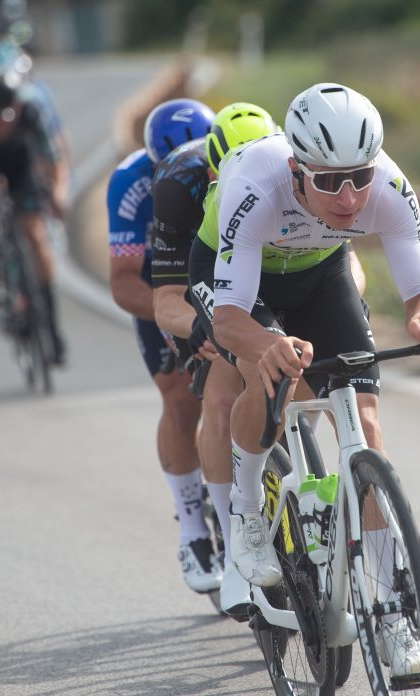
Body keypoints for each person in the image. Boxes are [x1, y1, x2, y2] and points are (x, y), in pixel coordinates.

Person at [188, 83, 420, 677]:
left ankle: (391, 610)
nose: (349, 196)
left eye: (359, 176)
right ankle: (247, 519)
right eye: (330, 181)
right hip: (236, 279)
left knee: (364, 424)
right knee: (264, 376)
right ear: (296, 167)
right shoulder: (255, 187)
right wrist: (267, 344)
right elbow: (231, 319)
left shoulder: (389, 188)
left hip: (318, 271)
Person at [149, 101, 280, 614]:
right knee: (222, 397)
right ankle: (231, 542)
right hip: (203, 275)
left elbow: (346, 262)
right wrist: (200, 325)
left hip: (273, 266)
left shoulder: (292, 170)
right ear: (213, 170)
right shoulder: (179, 189)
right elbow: (165, 300)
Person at [106, 97, 222, 595]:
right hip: (161, 283)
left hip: (219, 273)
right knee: (180, 398)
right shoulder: (129, 185)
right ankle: (194, 529)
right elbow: (124, 282)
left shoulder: (233, 162)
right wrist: (180, 319)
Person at [0, 75, 69, 365]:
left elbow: (54, 161)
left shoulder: (32, 112)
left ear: (16, 109)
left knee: (36, 235)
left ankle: (52, 328)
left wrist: (57, 195)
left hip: (22, 166)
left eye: (4, 118)